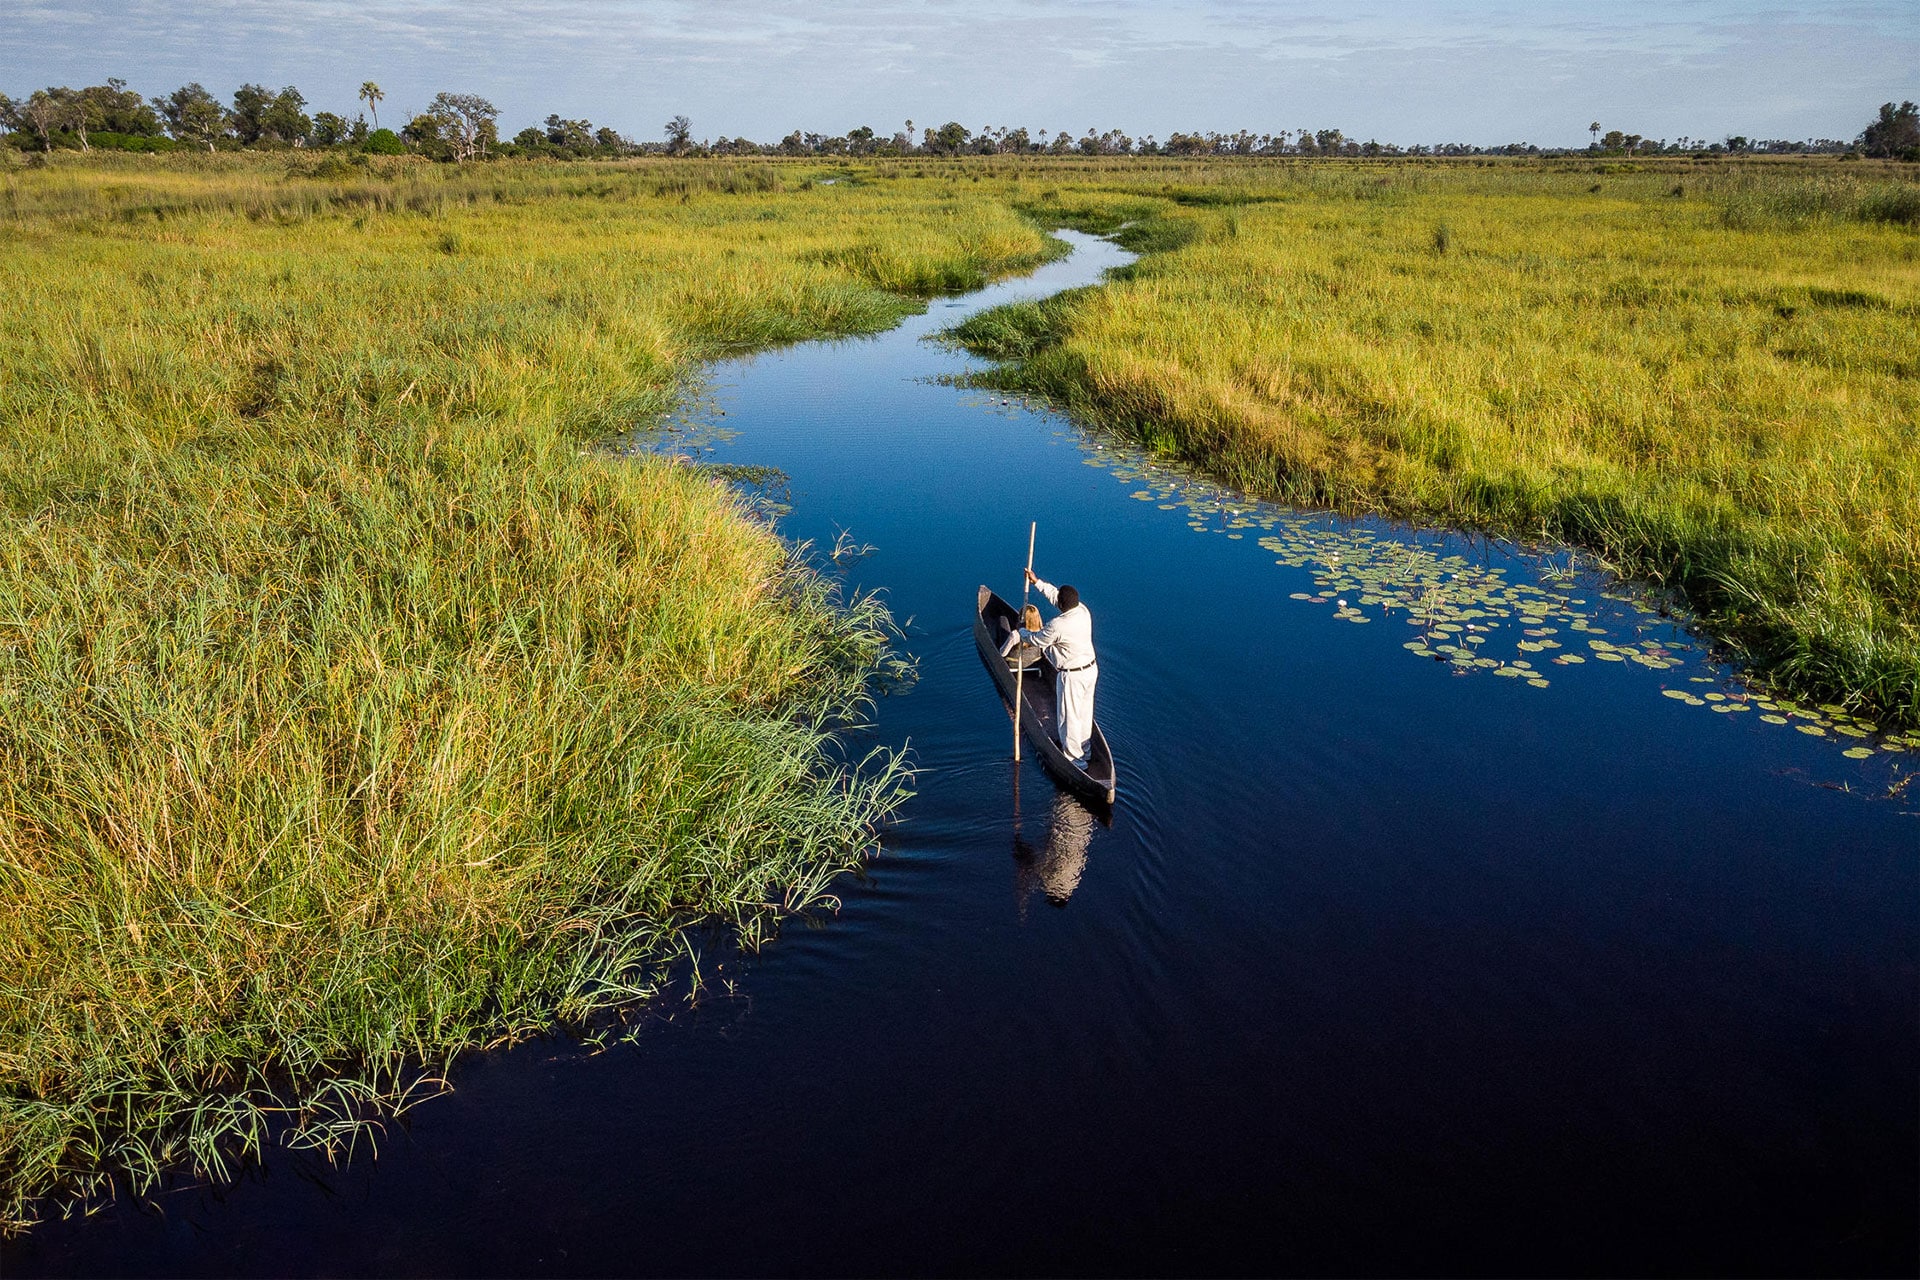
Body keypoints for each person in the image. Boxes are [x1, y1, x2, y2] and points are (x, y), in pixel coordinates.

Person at [1017, 568, 1097, 763]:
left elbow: (1037, 640)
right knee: (1084, 714)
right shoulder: (1082, 610)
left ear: (1062, 605)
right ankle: (1085, 751)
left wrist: (1022, 632)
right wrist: (1037, 582)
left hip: (1072, 676)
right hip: (1090, 670)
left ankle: (1074, 760)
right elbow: (1056, 597)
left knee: (1068, 717)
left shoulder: (1058, 625)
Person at [998, 603, 1045, 669]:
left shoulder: (1015, 635)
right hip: (1034, 663)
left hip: (1014, 664)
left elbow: (1003, 653)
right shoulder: (1042, 633)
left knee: (1003, 619)